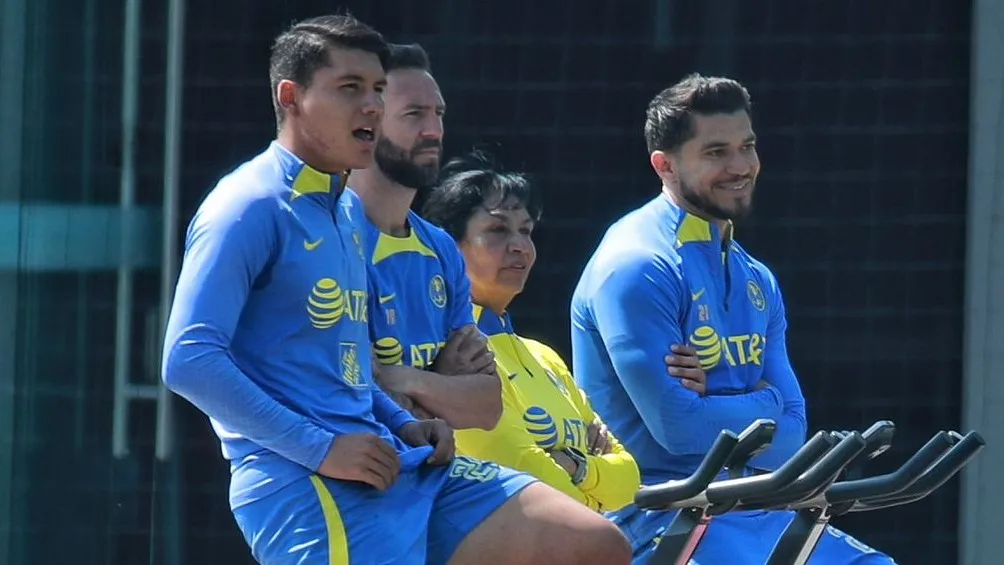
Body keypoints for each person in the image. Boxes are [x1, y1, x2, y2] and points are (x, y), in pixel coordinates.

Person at [161, 14, 631, 565]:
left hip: (396, 456)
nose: (371, 106)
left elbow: (345, 371)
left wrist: (406, 422)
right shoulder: (247, 205)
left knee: (593, 545)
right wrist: (323, 448)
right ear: (291, 97)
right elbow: (188, 360)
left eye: (378, 90)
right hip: (307, 483)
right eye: (350, 88)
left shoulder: (343, 213)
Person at [570, 73, 895, 564]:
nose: (740, 166)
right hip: (659, 517)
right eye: (716, 152)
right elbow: (679, 430)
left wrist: (717, 400)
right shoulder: (637, 265)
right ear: (664, 165)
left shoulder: (756, 275)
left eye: (747, 146)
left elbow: (793, 433)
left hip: (752, 504)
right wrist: (766, 400)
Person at [421, 150, 641, 513]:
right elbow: (521, 476)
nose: (520, 246)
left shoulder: (544, 356)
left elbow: (630, 480)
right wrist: (594, 491)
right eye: (497, 230)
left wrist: (575, 466)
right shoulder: (453, 353)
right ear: (449, 246)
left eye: (525, 230)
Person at [348, 43, 501, 432]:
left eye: (439, 114)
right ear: (367, 123)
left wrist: (406, 378)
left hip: (433, 461)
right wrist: (442, 381)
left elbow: (487, 406)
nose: (434, 130)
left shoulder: (441, 248)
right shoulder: (330, 239)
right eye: (414, 114)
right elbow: (354, 392)